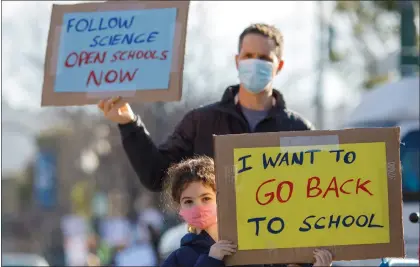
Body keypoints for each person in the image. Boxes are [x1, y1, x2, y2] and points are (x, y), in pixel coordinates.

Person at [98, 23, 314, 192]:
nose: (255, 63)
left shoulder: (299, 130)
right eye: (248, 56)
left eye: (264, 58)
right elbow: (157, 176)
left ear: (280, 66)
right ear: (237, 60)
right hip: (212, 246)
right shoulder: (201, 122)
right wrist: (129, 124)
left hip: (273, 243)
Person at [160, 156, 333, 267]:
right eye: (188, 201)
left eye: (206, 198)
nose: (198, 207)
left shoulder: (255, 248)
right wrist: (210, 261)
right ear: (179, 207)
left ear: (222, 198)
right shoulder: (179, 259)